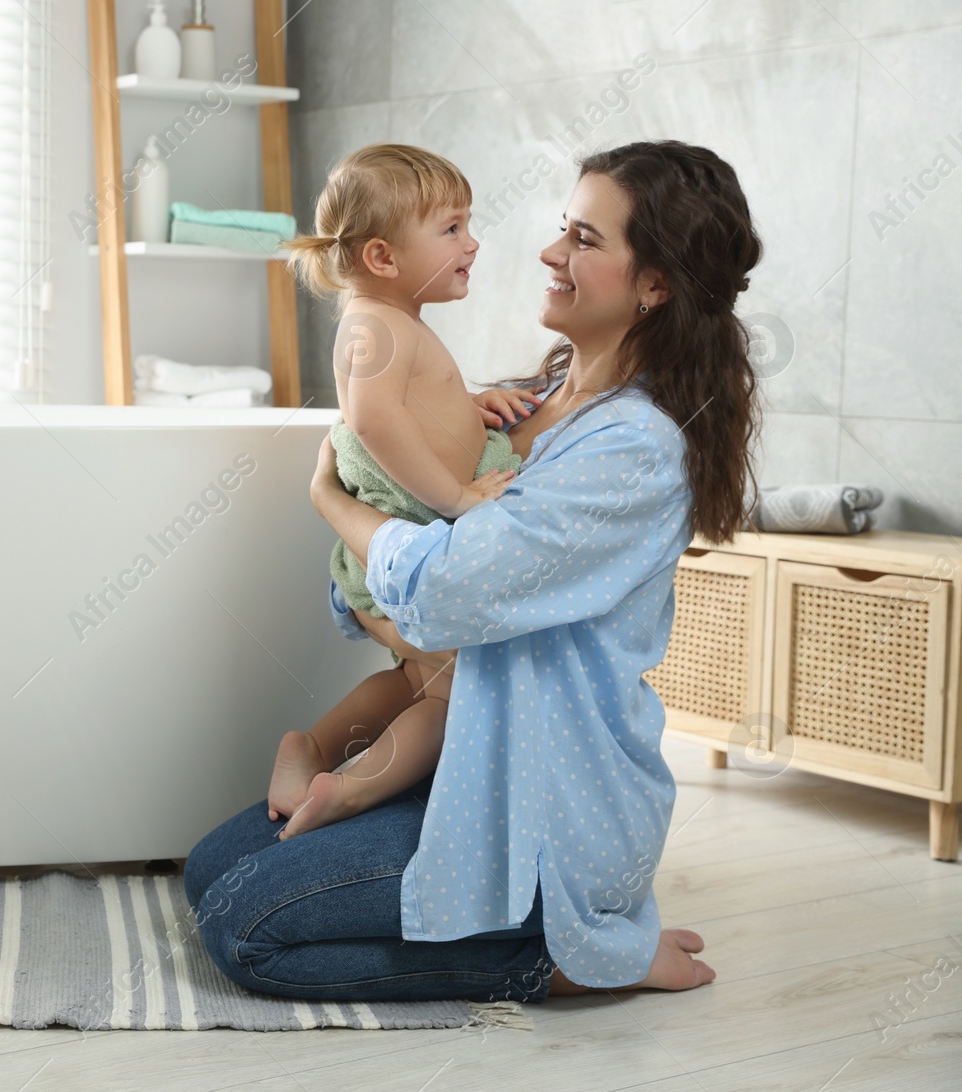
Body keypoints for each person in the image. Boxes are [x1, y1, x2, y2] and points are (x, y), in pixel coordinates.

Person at [185, 140, 762, 1003]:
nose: (549, 253)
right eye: (564, 229)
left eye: (585, 240)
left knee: (246, 931)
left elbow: (445, 593)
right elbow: (407, 572)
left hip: (535, 802)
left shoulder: (634, 448)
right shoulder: (541, 398)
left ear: (656, 286)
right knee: (210, 872)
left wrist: (330, 500)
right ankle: (554, 923)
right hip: (462, 755)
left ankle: (571, 950)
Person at [272, 143, 543, 843]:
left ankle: (315, 746)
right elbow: (372, 418)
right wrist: (456, 496)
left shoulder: (394, 323)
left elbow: (407, 409)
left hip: (396, 551)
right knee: (457, 689)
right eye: (452, 229)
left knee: (418, 680)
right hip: (393, 552)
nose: (472, 242)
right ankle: (351, 790)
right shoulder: (373, 324)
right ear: (384, 258)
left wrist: (470, 406)